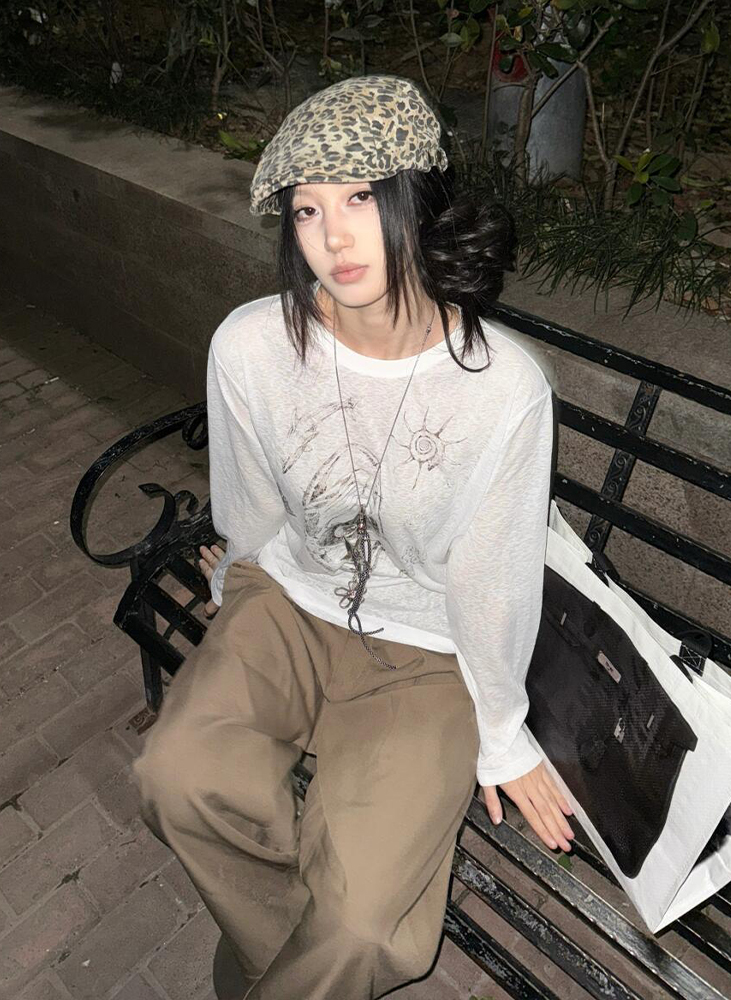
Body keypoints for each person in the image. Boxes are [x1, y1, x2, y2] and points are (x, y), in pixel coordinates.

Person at [132, 74, 574, 1000]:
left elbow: (491, 579)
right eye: (307, 210)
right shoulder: (252, 345)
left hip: (428, 650)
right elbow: (250, 503)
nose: (332, 238)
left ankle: (280, 971)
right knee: (177, 776)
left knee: (368, 926)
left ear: (416, 199)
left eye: (361, 199)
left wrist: (503, 732)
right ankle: (296, 972)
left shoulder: (503, 390)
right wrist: (236, 578)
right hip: (288, 600)